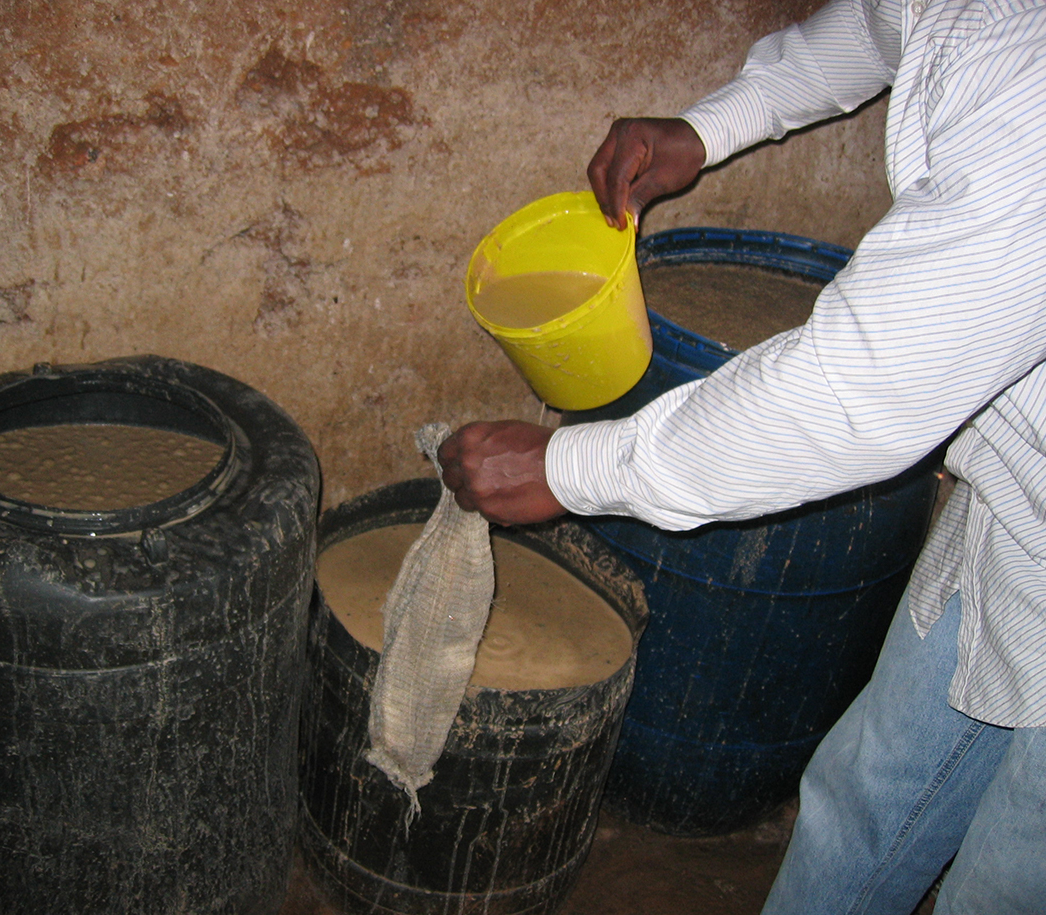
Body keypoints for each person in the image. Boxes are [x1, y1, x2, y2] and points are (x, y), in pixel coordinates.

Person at [438, 1, 1046, 912]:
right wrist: (713, 124)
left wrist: (567, 470)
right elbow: (883, 28)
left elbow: (851, 394)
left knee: (1004, 880)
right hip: (1012, 511)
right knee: (864, 797)